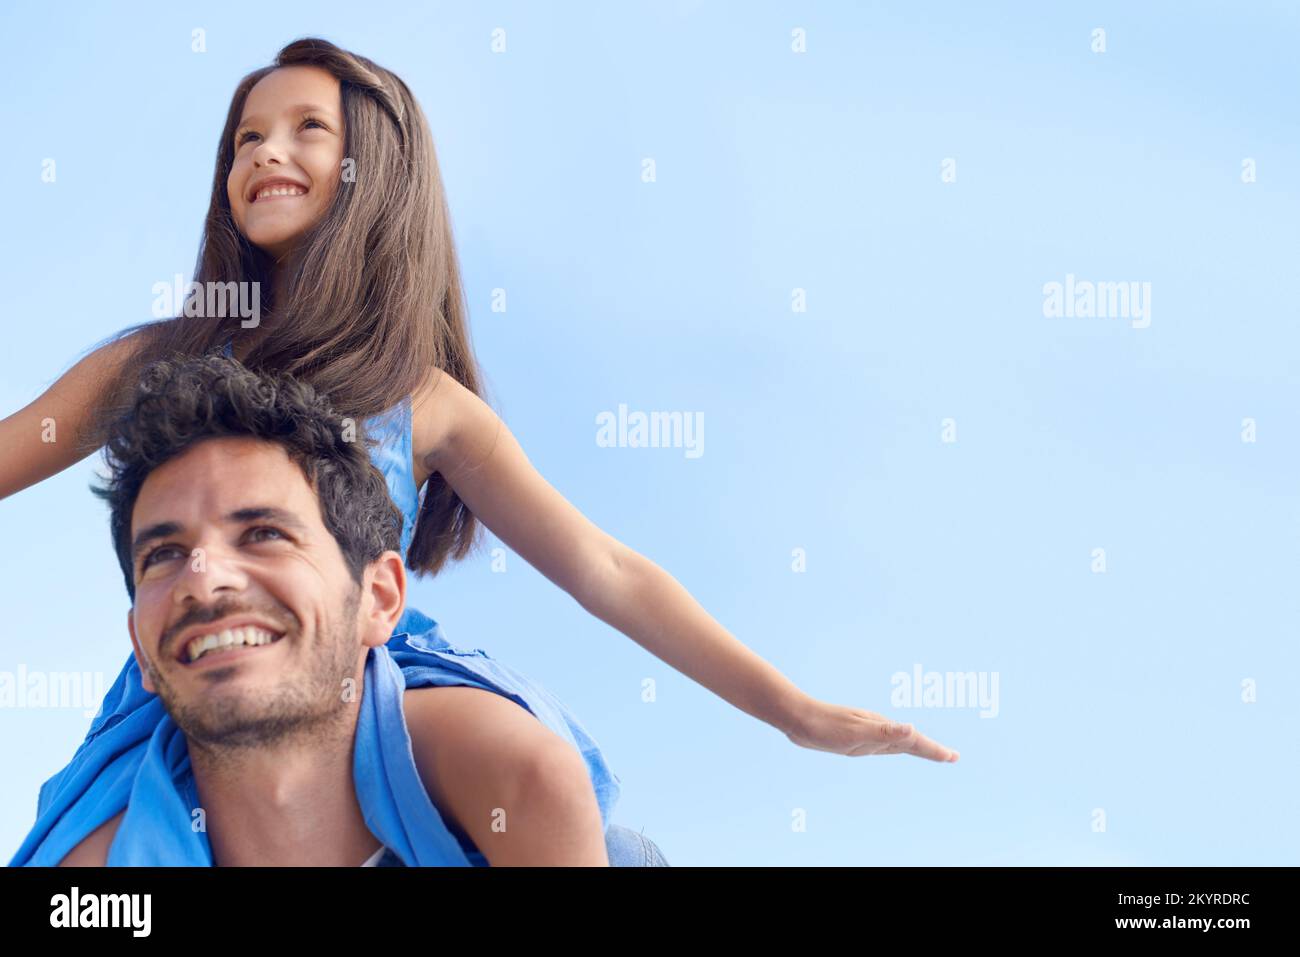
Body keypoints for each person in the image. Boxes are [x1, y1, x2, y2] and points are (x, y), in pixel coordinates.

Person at [4, 36, 955, 865]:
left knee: (579, 819)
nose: (265, 153)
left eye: (305, 130)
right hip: (196, 690)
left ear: (374, 166)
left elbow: (607, 569)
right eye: (246, 138)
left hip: (361, 683)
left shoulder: (426, 402)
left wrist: (793, 712)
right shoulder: (158, 357)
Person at [42, 354, 665, 865]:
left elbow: (607, 570)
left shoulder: (516, 779)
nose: (204, 582)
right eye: (166, 553)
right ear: (140, 650)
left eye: (263, 533)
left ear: (381, 598)